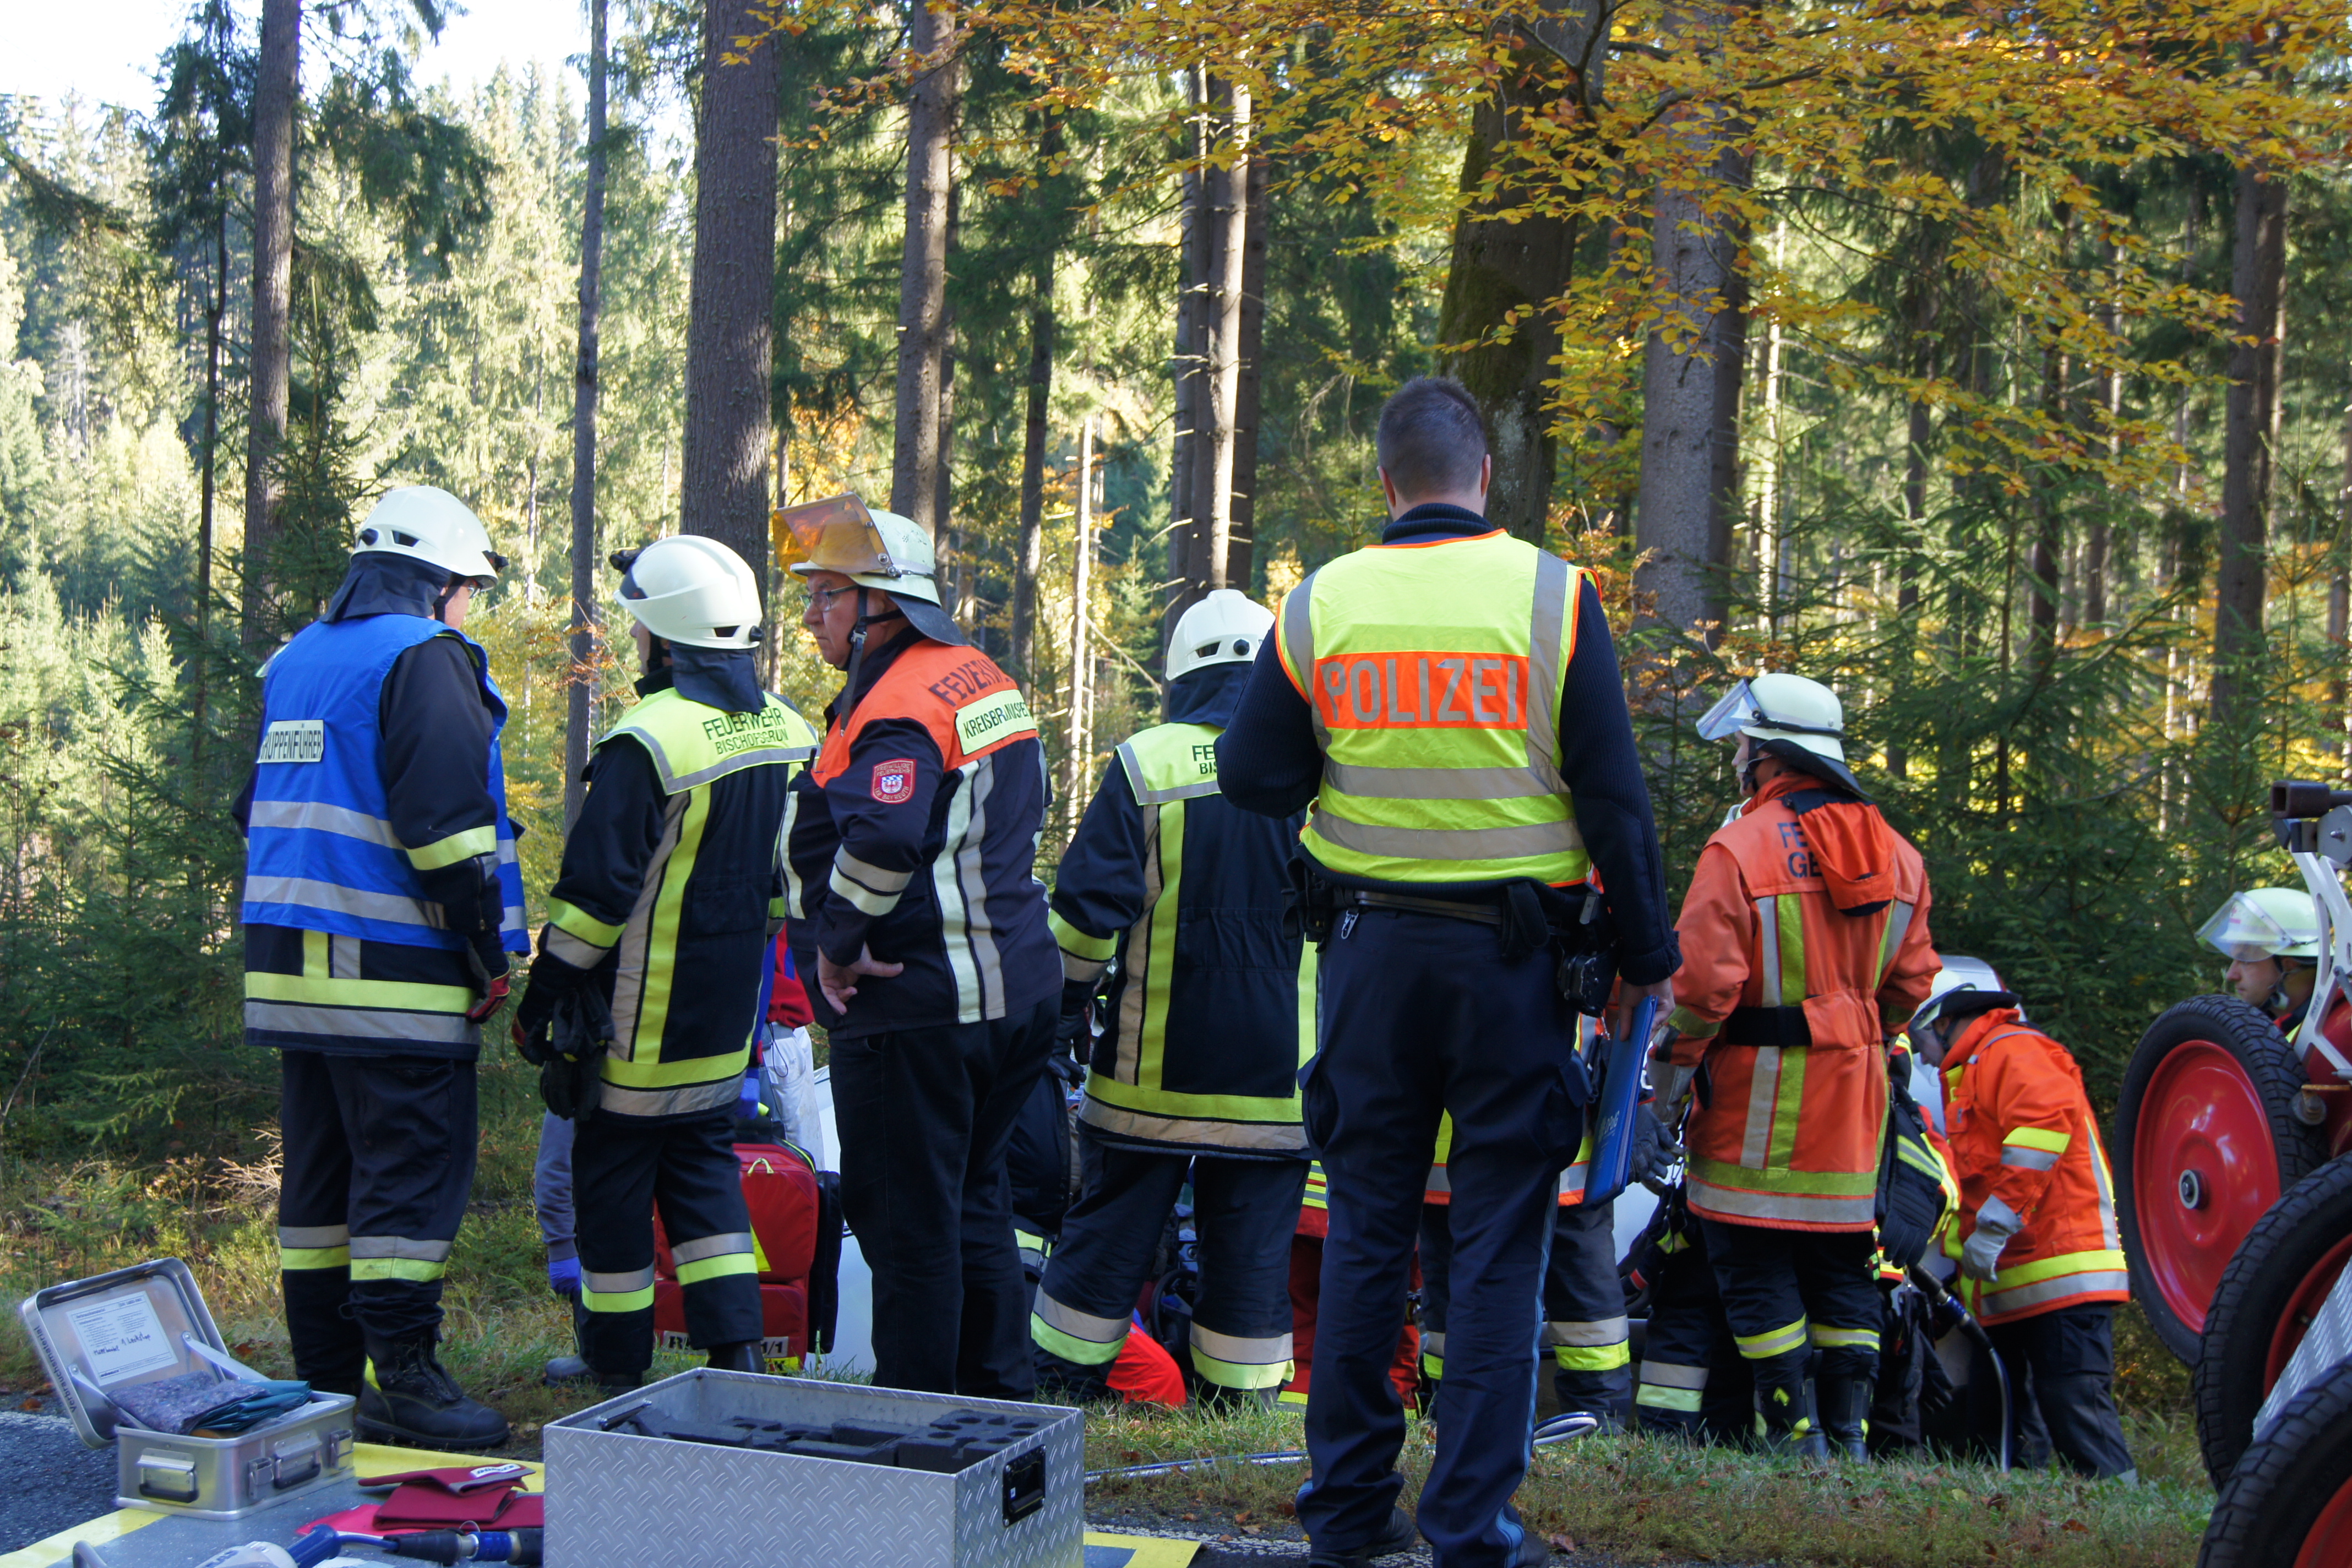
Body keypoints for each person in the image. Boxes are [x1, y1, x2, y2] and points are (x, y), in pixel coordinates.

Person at [1218, 375, 1680, 1568]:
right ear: (1484, 478)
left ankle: (1346, 1514)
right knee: (1497, 1243)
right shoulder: (1553, 596)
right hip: (1516, 969)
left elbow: (1251, 774)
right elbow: (1615, 800)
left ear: (1387, 483)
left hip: (1370, 959)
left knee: (1367, 1230)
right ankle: (1471, 1527)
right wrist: (1646, 956)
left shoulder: (1322, 602)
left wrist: (1341, 764)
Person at [237, 485, 525, 1449]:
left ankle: (323, 1385)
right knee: (408, 1178)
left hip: (290, 975)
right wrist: (486, 953)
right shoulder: (425, 656)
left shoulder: (297, 661)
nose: (467, 609)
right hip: (396, 976)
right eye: (469, 590)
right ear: (438, 584)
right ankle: (403, 1378)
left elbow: (253, 809)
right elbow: (448, 833)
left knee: (320, 1187)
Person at [510, 535, 821, 1389]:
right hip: (724, 1028)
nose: (636, 638)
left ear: (668, 639)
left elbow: (591, 904)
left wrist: (540, 1003)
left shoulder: (646, 742)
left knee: (611, 1187)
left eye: (641, 625)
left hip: (636, 1030)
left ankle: (614, 1363)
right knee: (705, 1183)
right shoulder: (788, 730)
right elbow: (787, 888)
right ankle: (737, 1350)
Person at [778, 495, 1059, 1397]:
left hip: (919, 1006)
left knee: (906, 1226)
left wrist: (835, 944)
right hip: (1011, 992)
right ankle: (998, 1411)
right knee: (975, 1202)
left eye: (826, 595)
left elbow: (886, 838)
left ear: (882, 604)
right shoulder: (976, 676)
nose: (811, 615)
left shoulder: (897, 703)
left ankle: (915, 1425)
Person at [1029, 589, 1314, 1407]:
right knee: (1253, 1264)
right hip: (1279, 1087)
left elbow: (1084, 917)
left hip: (1147, 1083)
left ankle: (1059, 1394)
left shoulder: (1146, 763)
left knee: (1107, 1243)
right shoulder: (1319, 766)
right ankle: (1240, 1415)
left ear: (1180, 677)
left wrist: (1063, 1010)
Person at [1659, 672, 1940, 1458]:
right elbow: (1912, 984)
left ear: (1770, 757)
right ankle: (1848, 1438)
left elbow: (1702, 991)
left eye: (1742, 746)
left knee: (1753, 1268)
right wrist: (1858, 1037)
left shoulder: (1739, 848)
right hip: (1854, 1117)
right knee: (1844, 1270)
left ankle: (1792, 1435)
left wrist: (1668, 1084)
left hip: (1752, 1113)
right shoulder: (1900, 857)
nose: (1736, 760)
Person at [1907, 971, 2136, 1480]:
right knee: (1998, 1428)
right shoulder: (1975, 1069)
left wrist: (1993, 1228)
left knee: (2077, 1415)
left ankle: (2122, 1514)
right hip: (2013, 1284)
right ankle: (2018, 1516)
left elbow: (2041, 1130)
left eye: (1918, 1039)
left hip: (2063, 1271)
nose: (1921, 1058)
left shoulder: (2011, 1050)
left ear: (1941, 1022)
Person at [1419, 1055, 1633, 1443]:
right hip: (1548, 1146)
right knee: (1580, 1299)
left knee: (1583, 1306)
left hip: (1520, 1152)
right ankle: (1462, 1428)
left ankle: (1596, 1431)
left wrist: (1636, 1097)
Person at [2202, 887, 2323, 1033]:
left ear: (2290, 966)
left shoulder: (2337, 1033)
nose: (2231, 975)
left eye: (2245, 960)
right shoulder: (2270, 1032)